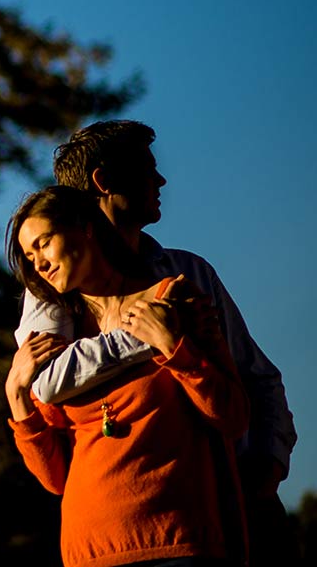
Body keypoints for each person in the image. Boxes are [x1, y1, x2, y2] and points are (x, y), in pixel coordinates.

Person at [16, 120, 296, 564]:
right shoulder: (52, 296)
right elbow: (46, 385)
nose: (161, 180)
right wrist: (147, 334)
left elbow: (256, 379)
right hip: (98, 543)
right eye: (147, 169)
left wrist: (268, 469)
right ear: (104, 182)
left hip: (220, 517)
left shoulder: (188, 276)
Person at [6, 185, 249, 566]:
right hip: (88, 550)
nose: (38, 262)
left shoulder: (173, 300)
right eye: (29, 255)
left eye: (44, 243)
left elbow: (232, 417)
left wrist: (175, 349)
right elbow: (54, 479)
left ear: (85, 229)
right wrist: (17, 397)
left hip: (178, 540)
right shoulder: (55, 348)